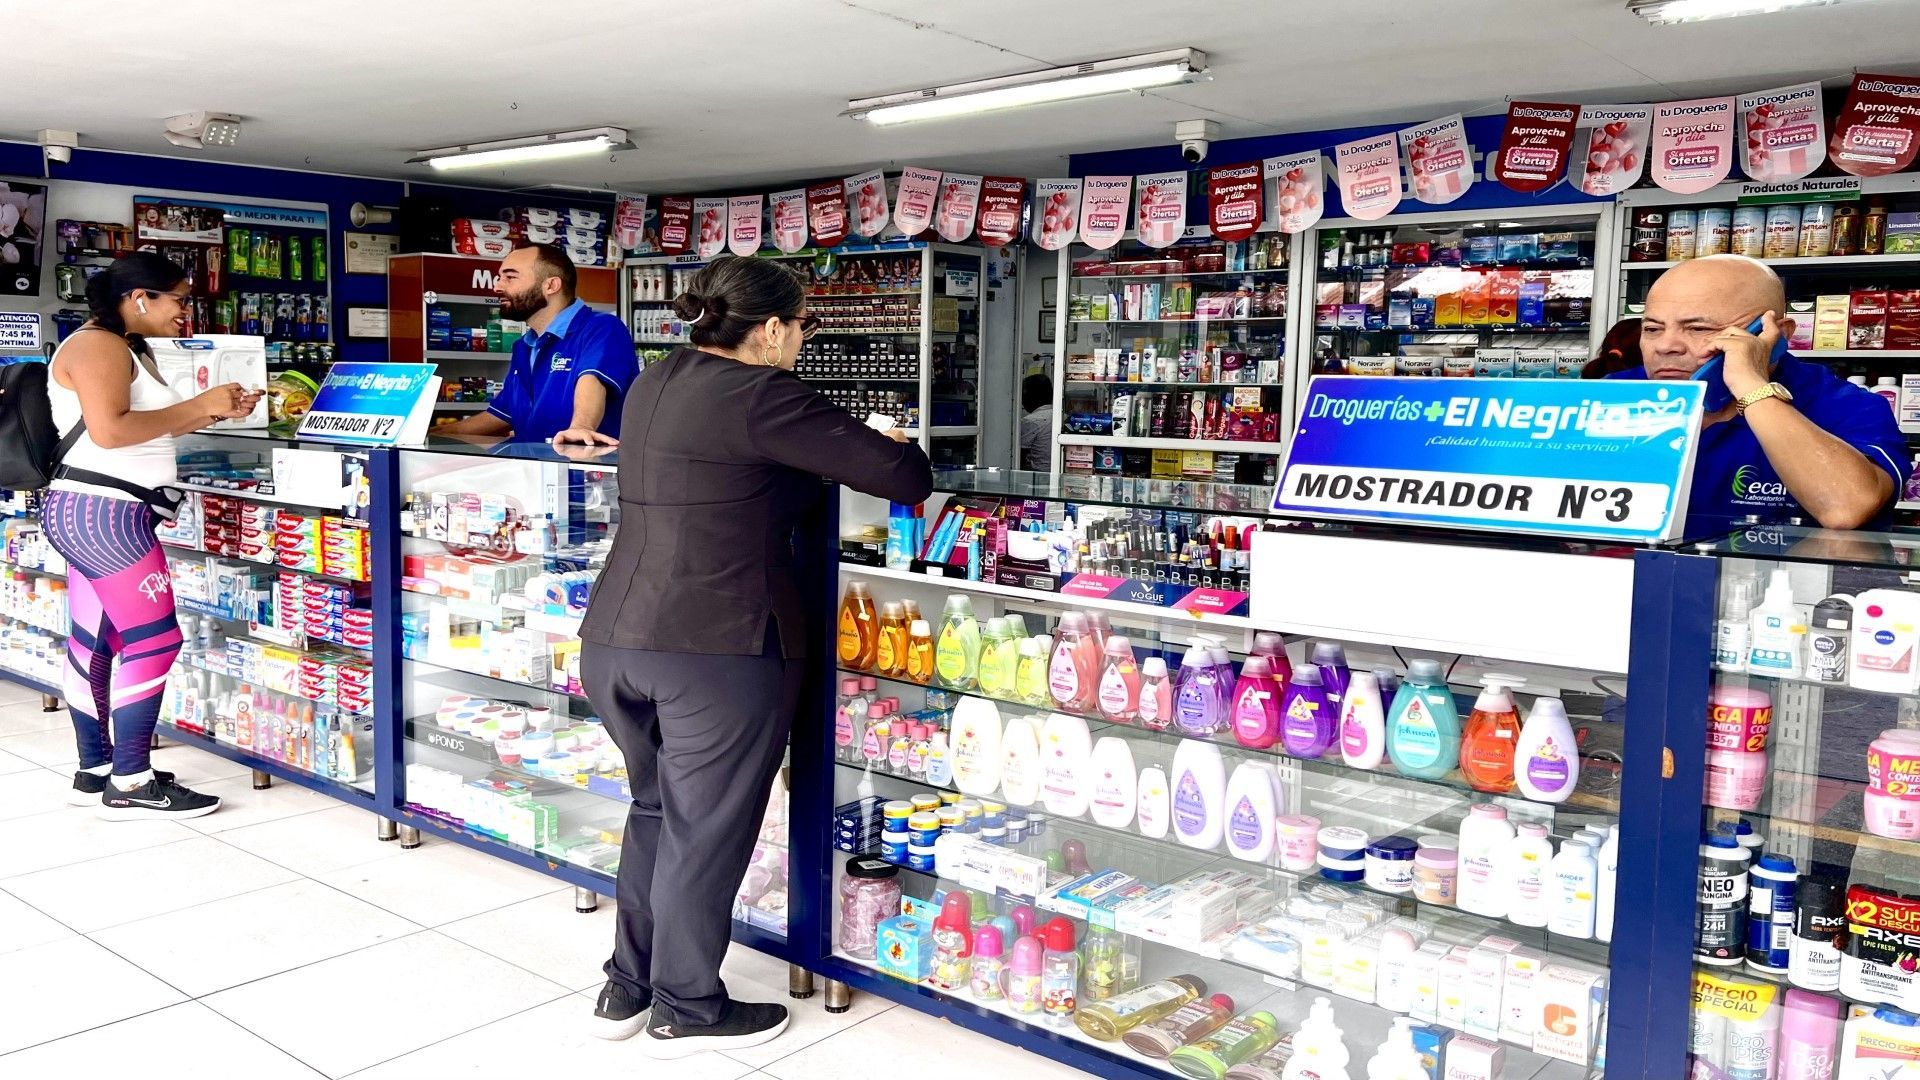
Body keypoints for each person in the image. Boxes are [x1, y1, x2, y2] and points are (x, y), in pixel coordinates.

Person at [577, 256, 932, 1057]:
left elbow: (738, 481)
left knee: (655, 811)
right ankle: (686, 1005)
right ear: (771, 329)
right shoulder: (764, 394)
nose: (803, 340)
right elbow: (904, 476)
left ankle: (627, 985)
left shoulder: (656, 381)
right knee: (704, 831)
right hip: (716, 647)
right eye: (804, 325)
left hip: (615, 639)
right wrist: (889, 441)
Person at [44, 253, 261, 818]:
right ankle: (133, 780)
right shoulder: (98, 346)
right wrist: (198, 404)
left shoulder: (126, 346)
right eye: (180, 300)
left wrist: (213, 412)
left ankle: (96, 770)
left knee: (95, 642)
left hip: (100, 513)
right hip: (104, 516)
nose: (186, 312)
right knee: (156, 641)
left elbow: (146, 430)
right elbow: (110, 431)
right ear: (140, 298)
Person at [1610, 254, 1908, 535]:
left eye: (1698, 328)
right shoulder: (1614, 395)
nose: (1665, 346)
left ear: (1777, 335)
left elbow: (1845, 509)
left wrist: (1752, 386)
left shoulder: (1844, 405)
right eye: (1652, 329)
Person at [437, 243, 637, 446]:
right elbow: (500, 415)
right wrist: (434, 434)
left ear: (551, 286)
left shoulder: (601, 328)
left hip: (585, 465)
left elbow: (592, 381)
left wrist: (582, 426)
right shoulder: (523, 347)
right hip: (534, 465)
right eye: (499, 277)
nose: (497, 287)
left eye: (510, 277)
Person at [1019, 371, 1054, 471]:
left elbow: (1017, 455)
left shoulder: (1031, 421)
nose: (1022, 401)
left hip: (1037, 474)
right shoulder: (1061, 416)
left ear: (1030, 396)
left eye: (1023, 395)